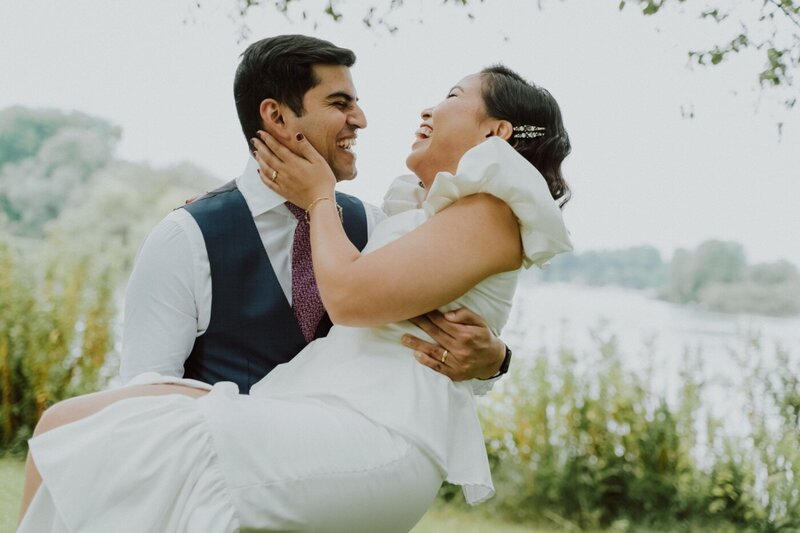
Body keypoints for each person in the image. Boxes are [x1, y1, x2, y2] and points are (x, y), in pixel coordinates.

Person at [18, 64, 573, 532]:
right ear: (276, 118)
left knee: (162, 443)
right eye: (340, 104)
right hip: (302, 411)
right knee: (64, 426)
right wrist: (222, 214)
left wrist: (319, 199)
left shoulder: (473, 212)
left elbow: (355, 297)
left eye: (453, 97)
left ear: (498, 133)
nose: (424, 110)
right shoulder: (414, 217)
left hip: (375, 430)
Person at [118, 34, 509, 395]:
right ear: (277, 116)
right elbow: (145, 401)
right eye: (340, 104)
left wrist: (494, 359)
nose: (360, 119)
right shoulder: (185, 239)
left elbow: (441, 346)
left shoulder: (375, 227)